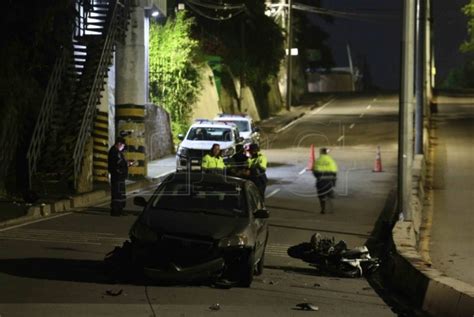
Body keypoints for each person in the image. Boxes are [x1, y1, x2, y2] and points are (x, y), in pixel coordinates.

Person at [108, 137, 134, 217]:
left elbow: (120, 163)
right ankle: (116, 210)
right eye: (123, 145)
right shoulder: (114, 152)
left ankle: (120, 209)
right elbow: (118, 164)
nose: (123, 147)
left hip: (120, 176)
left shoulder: (117, 152)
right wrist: (126, 164)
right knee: (117, 194)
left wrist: (127, 163)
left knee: (121, 194)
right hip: (117, 177)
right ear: (119, 144)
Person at [312, 147, 338, 214]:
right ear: (327, 153)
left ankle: (323, 209)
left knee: (321, 195)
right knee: (329, 192)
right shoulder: (331, 160)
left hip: (321, 179)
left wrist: (317, 177)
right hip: (329, 179)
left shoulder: (317, 160)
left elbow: (314, 171)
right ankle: (331, 206)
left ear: (321, 152)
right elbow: (334, 171)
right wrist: (334, 181)